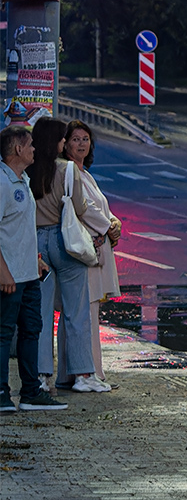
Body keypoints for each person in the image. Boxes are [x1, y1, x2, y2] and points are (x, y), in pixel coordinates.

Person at [30, 117, 110, 394]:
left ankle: (40, 378)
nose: (67, 142)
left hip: (36, 244)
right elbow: (78, 207)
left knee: (39, 316)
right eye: (64, 138)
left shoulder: (28, 170)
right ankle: (82, 376)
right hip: (64, 242)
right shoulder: (66, 170)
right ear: (57, 141)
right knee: (75, 313)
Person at [0, 125, 66, 411]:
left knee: (32, 330)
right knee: (3, 334)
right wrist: (3, 271)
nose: (34, 150)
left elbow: (20, 229)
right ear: (17, 149)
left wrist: (35, 258)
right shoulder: (2, 183)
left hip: (28, 273)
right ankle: (1, 394)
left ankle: (30, 392)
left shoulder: (22, 180)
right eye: (30, 146)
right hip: (9, 276)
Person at [61, 121, 121, 383]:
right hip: (86, 252)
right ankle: (88, 373)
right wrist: (109, 226)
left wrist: (113, 222)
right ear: (65, 144)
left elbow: (100, 208)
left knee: (84, 311)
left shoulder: (85, 173)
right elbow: (83, 209)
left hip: (94, 248)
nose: (81, 144)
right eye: (75, 139)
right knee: (85, 313)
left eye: (85, 139)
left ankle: (77, 372)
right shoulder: (70, 172)